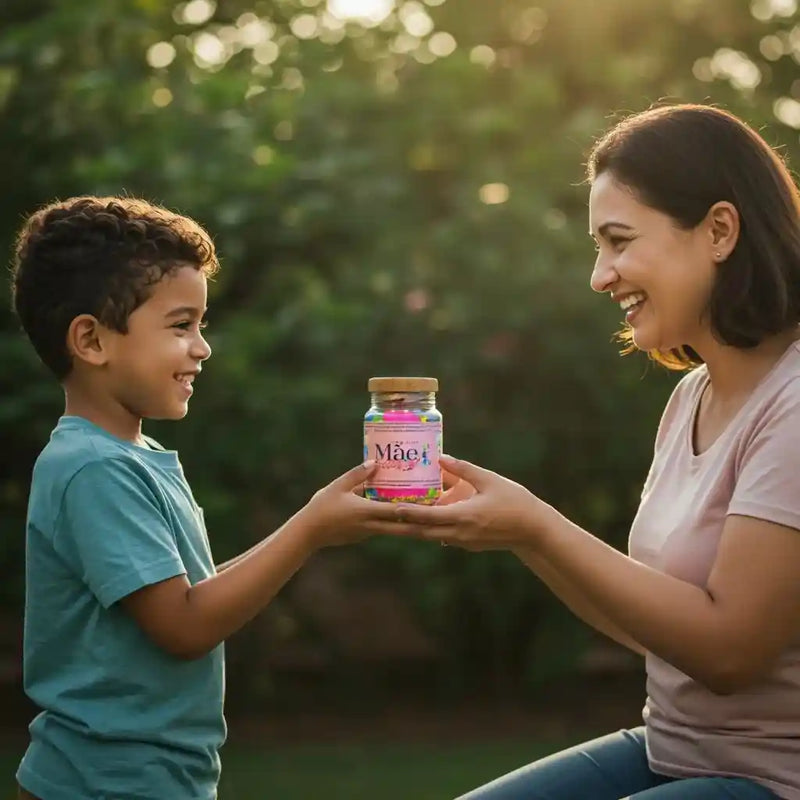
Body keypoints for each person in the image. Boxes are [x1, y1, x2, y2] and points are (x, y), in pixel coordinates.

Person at [390, 104, 800, 799]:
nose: (600, 276)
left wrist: (537, 524)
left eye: (619, 241)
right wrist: (521, 536)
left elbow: (730, 652)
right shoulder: (693, 396)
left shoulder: (792, 404)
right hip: (675, 750)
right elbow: (653, 626)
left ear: (719, 231)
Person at [10, 196, 399, 800]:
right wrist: (310, 530)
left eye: (201, 325)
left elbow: (190, 595)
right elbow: (185, 627)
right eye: (180, 325)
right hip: (104, 783)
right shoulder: (94, 468)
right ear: (91, 340)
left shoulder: (130, 457)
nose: (202, 347)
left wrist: (316, 521)